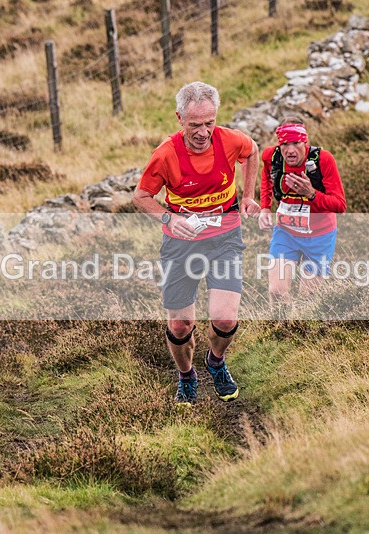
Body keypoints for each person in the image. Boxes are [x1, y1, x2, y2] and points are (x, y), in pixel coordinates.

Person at [132, 81, 260, 405]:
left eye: (209, 122)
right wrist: (168, 218)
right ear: (179, 119)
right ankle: (187, 374)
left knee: (225, 318)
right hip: (181, 244)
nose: (203, 132)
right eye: (194, 125)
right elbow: (141, 197)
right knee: (180, 324)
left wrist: (247, 196)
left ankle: (215, 362)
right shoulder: (166, 154)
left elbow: (252, 151)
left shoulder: (229, 140)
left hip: (225, 238)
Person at [258, 117, 346, 307]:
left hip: (319, 236)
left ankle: (303, 333)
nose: (290, 150)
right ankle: (281, 332)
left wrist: (312, 194)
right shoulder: (271, 157)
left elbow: (340, 205)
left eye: (296, 143)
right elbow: (266, 177)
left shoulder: (323, 160)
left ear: (305, 141)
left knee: (308, 300)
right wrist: (265, 207)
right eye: (285, 144)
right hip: (286, 233)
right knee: (276, 292)